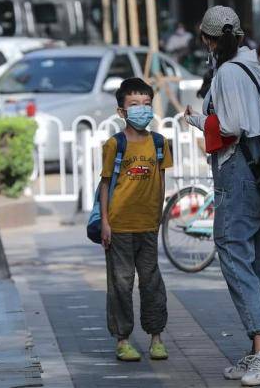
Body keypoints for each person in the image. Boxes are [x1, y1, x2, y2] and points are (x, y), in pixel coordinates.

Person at [184, 5, 260, 386]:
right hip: (259, 170)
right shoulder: (252, 68)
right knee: (253, 258)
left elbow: (229, 126)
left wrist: (198, 120)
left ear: (209, 39)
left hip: (239, 170)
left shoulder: (230, 72)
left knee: (231, 248)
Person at [99, 78, 173, 362]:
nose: (142, 110)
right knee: (120, 283)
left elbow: (161, 181)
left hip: (148, 226)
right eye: (134, 105)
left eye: (146, 104)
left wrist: (159, 215)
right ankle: (122, 339)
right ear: (121, 111)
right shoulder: (114, 145)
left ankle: (156, 337)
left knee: (151, 281)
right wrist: (105, 221)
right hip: (119, 227)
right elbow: (106, 184)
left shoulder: (159, 143)